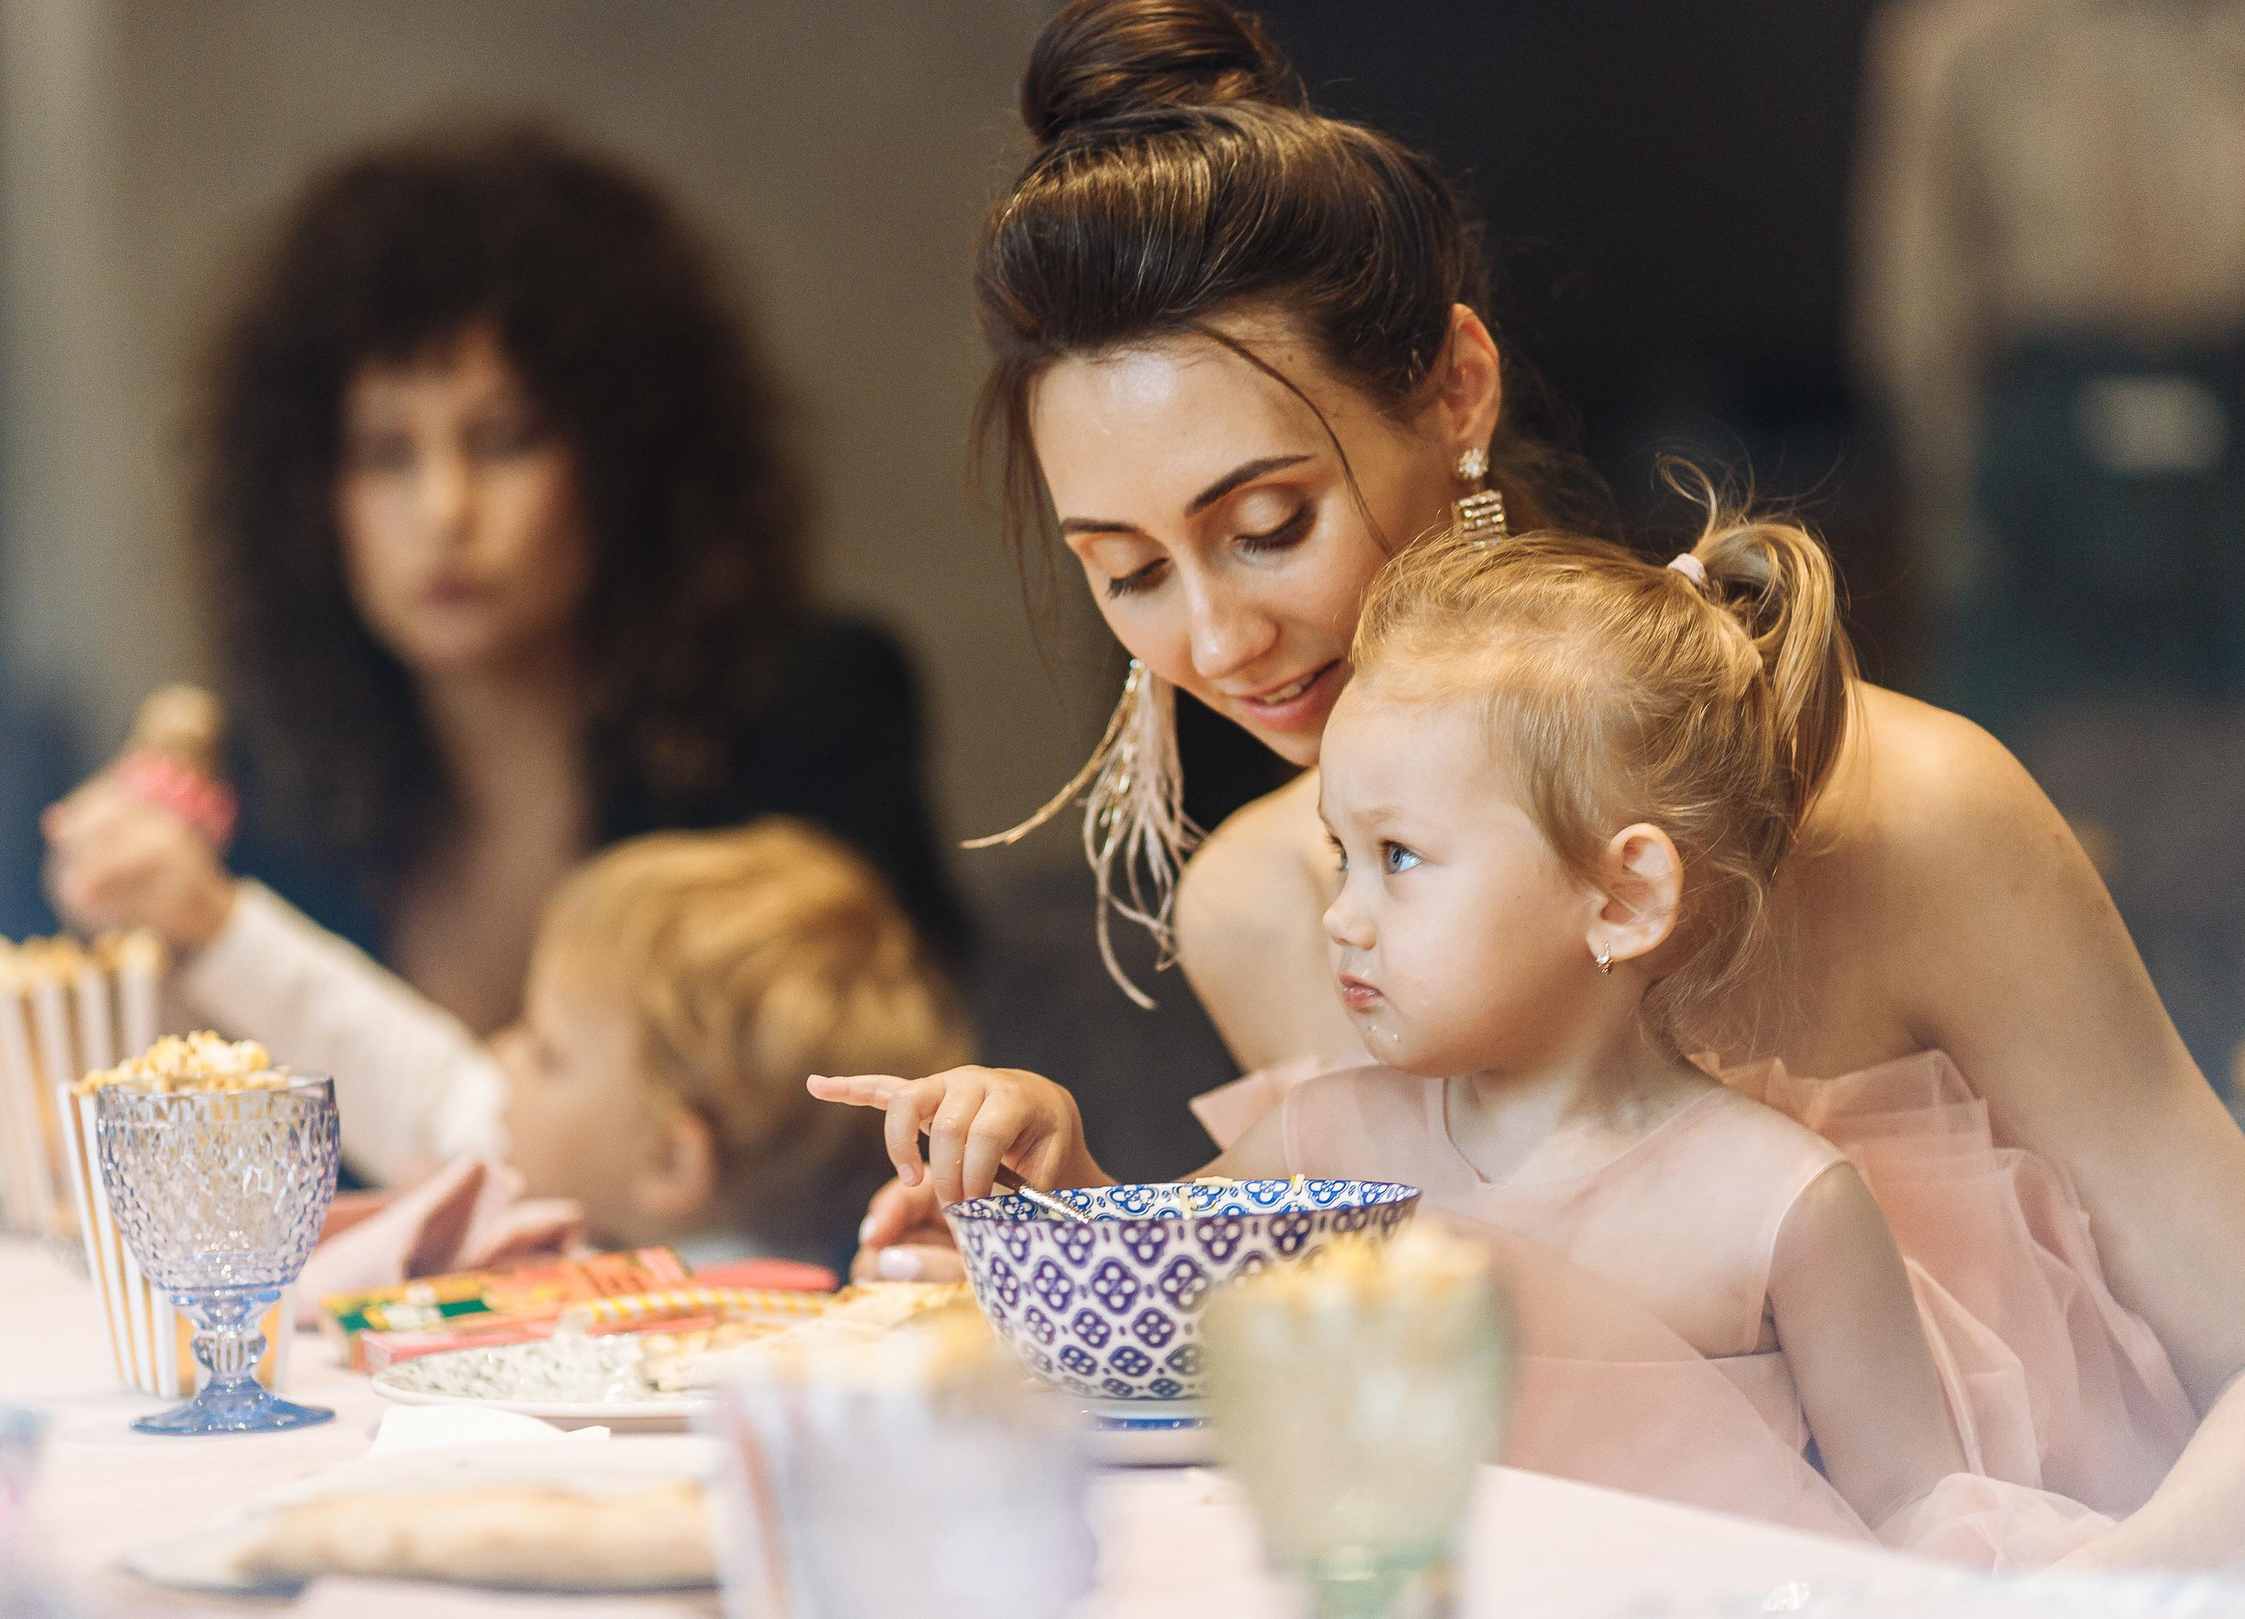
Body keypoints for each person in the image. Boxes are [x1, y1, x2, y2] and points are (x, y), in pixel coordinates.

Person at [860, 0, 2245, 1567]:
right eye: (1128, 570)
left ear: (1457, 385)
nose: (1220, 639)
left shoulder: (1901, 810)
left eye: (1267, 527)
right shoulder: (1262, 904)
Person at [825, 499, 2165, 1564]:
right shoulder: (1324, 1138)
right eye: (1341, 853)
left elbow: (1916, 1519)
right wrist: (1045, 1178)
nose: (1342, 915)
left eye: (1401, 858)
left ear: (1626, 893)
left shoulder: (1780, 1202)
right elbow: (1159, 1328)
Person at [44, 122, 966, 1043]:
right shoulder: (265, 785)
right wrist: (145, 964)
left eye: (506, 440)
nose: (446, 510)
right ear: (308, 499)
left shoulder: (813, 715)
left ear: (623, 457)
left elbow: (848, 1108)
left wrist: (232, 940)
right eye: (384, 455)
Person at [216, 819, 970, 1270]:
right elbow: (424, 1085)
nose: (501, 1057)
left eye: (547, 1055)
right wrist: (215, 928)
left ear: (667, 1161)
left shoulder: (630, 1330)